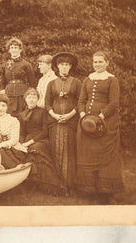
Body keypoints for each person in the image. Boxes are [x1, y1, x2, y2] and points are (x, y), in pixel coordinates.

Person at [76, 51, 124, 202]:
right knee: (87, 152)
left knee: (104, 154)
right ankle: (89, 188)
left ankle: (106, 190)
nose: (97, 64)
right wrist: (83, 115)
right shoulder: (87, 79)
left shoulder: (112, 80)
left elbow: (114, 103)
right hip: (86, 123)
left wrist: (100, 117)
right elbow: (81, 100)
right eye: (95, 62)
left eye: (100, 62)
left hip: (105, 122)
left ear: (107, 63)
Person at [45, 52, 81, 191]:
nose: (64, 67)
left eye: (67, 65)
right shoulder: (52, 83)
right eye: (61, 65)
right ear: (57, 67)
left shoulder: (77, 82)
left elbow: (81, 102)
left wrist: (69, 115)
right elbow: (47, 103)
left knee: (69, 150)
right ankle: (57, 183)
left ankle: (70, 183)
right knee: (56, 149)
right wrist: (54, 115)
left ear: (70, 67)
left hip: (70, 121)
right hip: (55, 122)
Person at [18, 88, 62, 192]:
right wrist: (22, 143)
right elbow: (22, 133)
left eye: (34, 97)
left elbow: (45, 132)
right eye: (29, 97)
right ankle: (32, 182)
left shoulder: (43, 112)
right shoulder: (22, 114)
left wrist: (30, 142)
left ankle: (48, 185)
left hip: (41, 139)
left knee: (35, 149)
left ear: (38, 99)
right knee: (23, 152)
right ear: (25, 99)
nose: (31, 100)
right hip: (27, 140)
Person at [0, 92, 28, 169]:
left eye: (3, 106)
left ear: (7, 107)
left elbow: (14, 140)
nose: (0, 108)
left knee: (1, 152)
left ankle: (16, 168)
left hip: (15, 150)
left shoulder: (13, 121)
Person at [1, 37, 36, 117]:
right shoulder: (5, 65)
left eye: (16, 48)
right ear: (9, 50)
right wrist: (3, 92)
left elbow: (32, 83)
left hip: (22, 93)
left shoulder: (26, 64)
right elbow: (3, 82)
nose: (14, 50)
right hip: (9, 93)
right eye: (11, 48)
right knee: (9, 115)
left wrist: (30, 94)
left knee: (22, 115)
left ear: (20, 50)